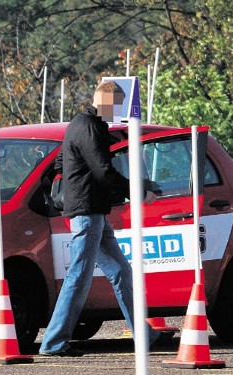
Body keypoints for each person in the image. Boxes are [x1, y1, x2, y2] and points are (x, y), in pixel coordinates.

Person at [39, 80, 161, 357]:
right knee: (79, 276)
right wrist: (139, 190)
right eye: (116, 105)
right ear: (106, 101)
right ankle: (54, 342)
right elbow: (103, 171)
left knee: (120, 271)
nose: (118, 111)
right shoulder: (91, 127)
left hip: (91, 212)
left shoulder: (77, 125)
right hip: (87, 212)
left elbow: (60, 163)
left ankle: (143, 335)